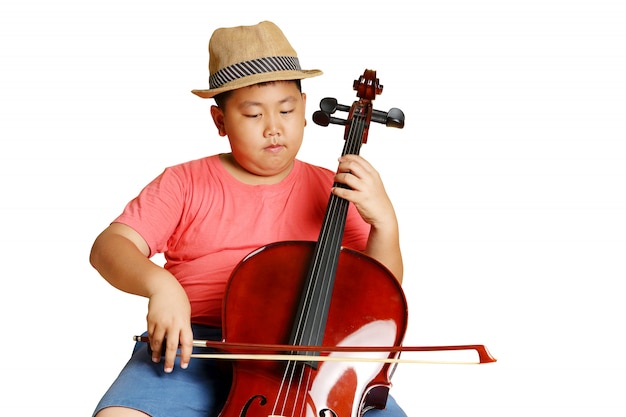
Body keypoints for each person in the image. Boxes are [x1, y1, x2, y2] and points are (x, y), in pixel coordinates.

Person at [90, 21, 406, 417]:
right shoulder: (184, 182)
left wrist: (385, 224)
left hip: (310, 359)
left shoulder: (336, 189)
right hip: (192, 347)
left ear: (306, 110)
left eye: (287, 110)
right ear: (220, 121)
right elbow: (109, 247)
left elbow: (379, 294)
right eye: (253, 114)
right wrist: (161, 285)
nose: (274, 128)